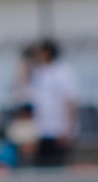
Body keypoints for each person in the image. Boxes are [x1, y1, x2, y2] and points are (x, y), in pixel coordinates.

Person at [29, 38, 79, 167]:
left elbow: (70, 101)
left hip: (58, 130)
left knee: (58, 165)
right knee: (42, 165)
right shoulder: (38, 72)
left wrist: (67, 129)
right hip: (43, 130)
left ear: (47, 53)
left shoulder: (63, 72)